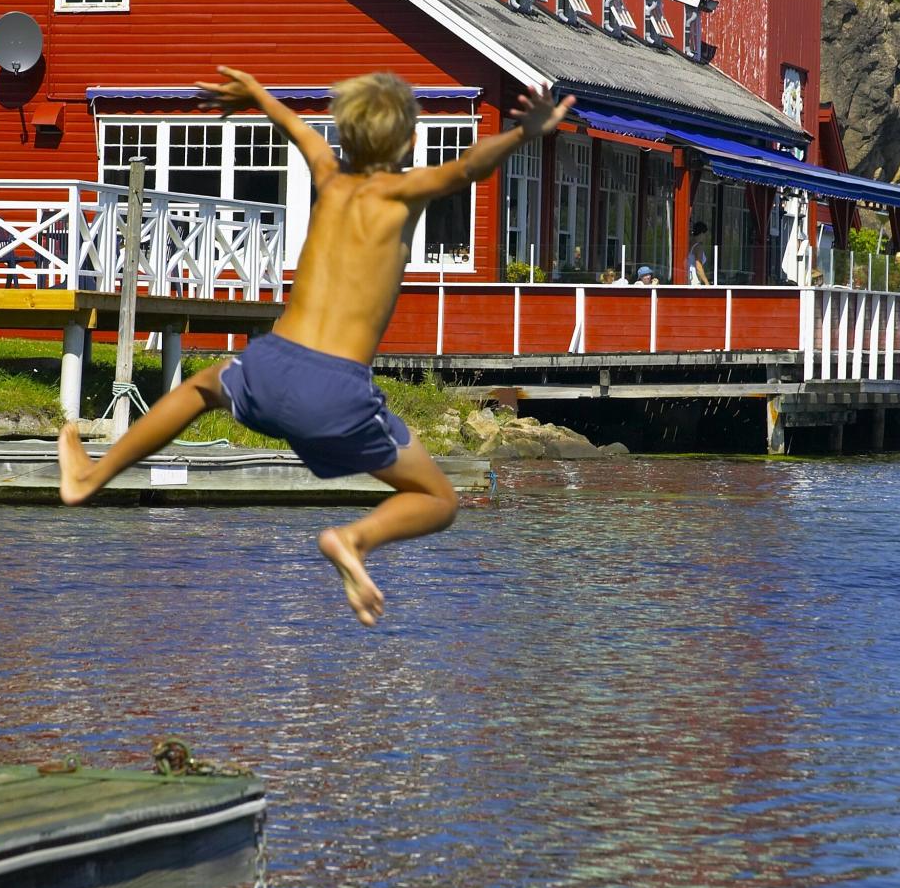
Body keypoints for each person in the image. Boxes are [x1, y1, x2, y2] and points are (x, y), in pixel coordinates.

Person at [58, 67, 575, 625]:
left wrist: (257, 93)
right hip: (336, 389)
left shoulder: (329, 176)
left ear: (343, 136)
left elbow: (297, 128)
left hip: (271, 362)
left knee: (200, 389)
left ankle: (92, 476)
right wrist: (523, 133)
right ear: (409, 141)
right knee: (439, 499)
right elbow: (472, 165)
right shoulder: (404, 193)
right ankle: (353, 540)